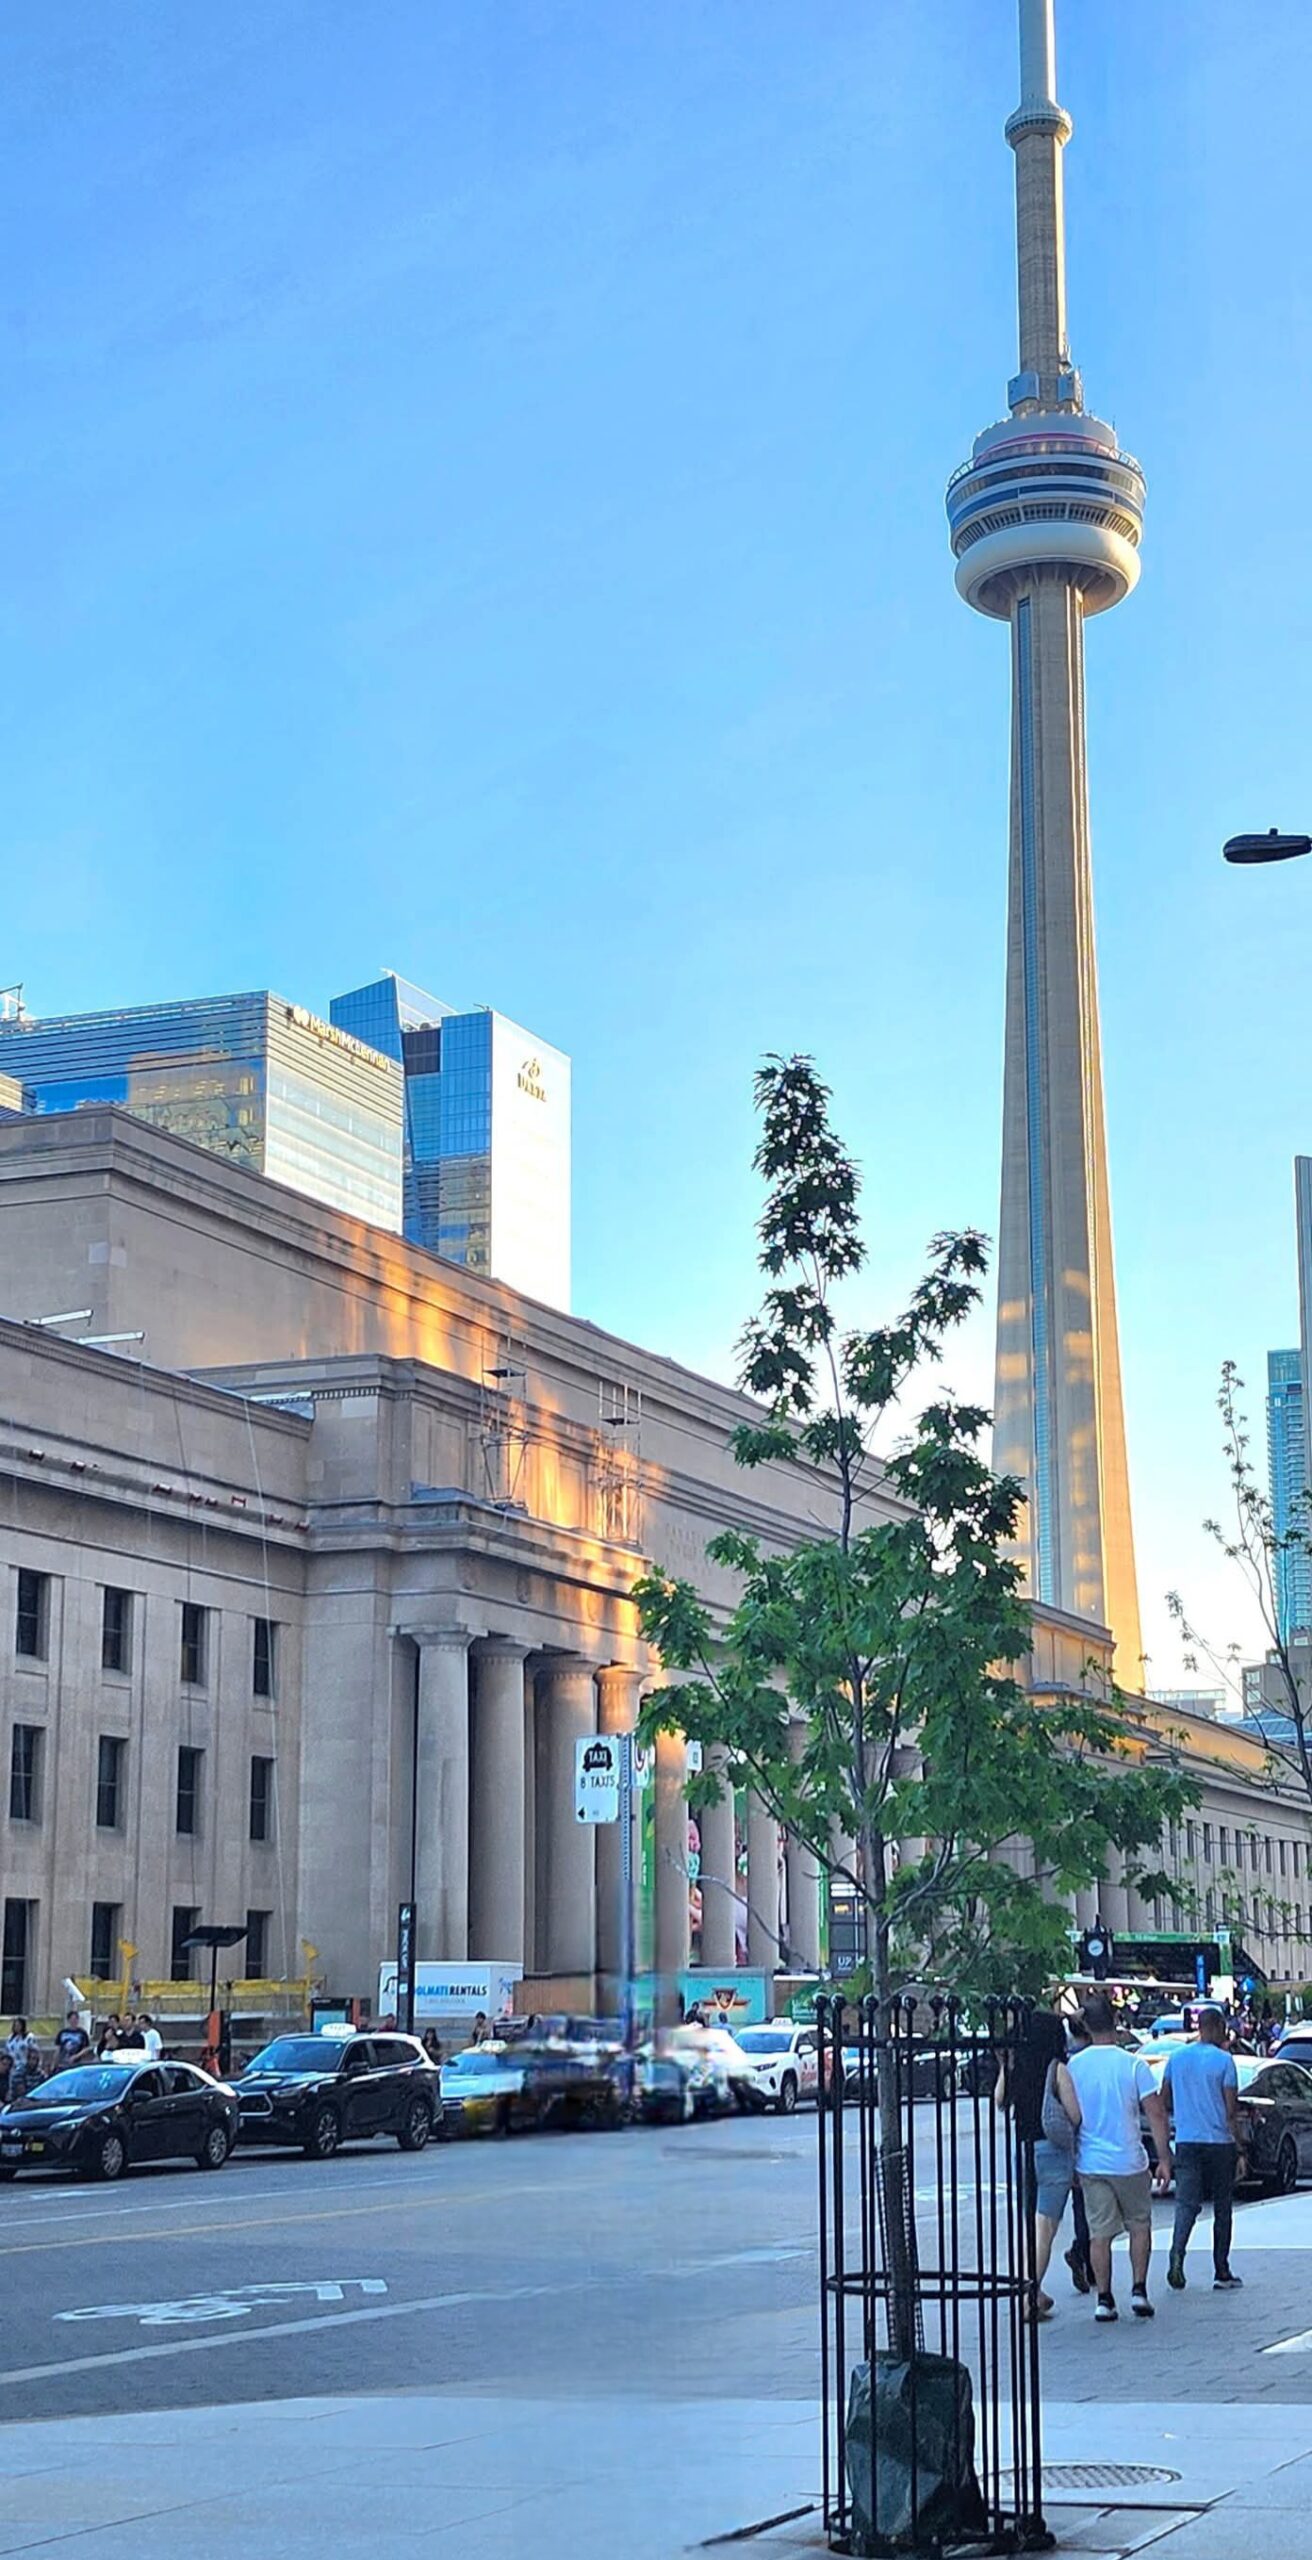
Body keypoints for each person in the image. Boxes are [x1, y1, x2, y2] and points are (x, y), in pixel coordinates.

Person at [1067, 1993, 1171, 2322]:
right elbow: (1156, 2113)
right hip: (1129, 2160)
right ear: (1115, 2022)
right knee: (1139, 2226)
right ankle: (1139, 2290)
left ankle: (1104, 2298)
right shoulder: (1133, 2064)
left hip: (1091, 2161)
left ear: (1086, 2026)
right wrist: (1164, 2158)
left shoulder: (1074, 2067)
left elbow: (1069, 2116)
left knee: (1099, 2233)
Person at [996, 2009, 1081, 2319]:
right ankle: (1029, 2294)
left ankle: (1031, 2288)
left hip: (1023, 2149)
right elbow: (1075, 2115)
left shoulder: (1016, 2066)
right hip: (1052, 2152)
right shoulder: (1057, 2069)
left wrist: (1004, 2066)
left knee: (1031, 2225)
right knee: (1045, 2227)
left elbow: (999, 2100)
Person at [1164, 2007, 1243, 2293]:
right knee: (1222, 2207)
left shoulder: (1176, 2058)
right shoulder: (1225, 2061)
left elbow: (1164, 2098)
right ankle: (1221, 2270)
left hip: (1186, 2140)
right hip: (1219, 2142)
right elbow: (1230, 2110)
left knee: (1186, 2204)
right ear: (1218, 2027)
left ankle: (1177, 2254)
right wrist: (1240, 2148)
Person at [1063, 2012, 1095, 2295]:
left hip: (1077, 2146)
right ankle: (1083, 2255)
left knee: (1082, 2209)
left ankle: (1085, 2258)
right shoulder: (1086, 2062)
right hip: (1094, 2142)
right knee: (1099, 2212)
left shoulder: (1067, 2064)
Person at [4, 2019, 41, 2104]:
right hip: (12, 2066)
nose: (17, 2027)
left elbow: (35, 2050)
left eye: (19, 2025)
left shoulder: (29, 2037)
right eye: (15, 2025)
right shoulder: (11, 2038)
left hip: (25, 2065)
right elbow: (7, 2050)